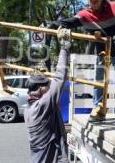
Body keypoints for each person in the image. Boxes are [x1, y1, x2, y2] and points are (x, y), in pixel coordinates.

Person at [54, 0, 115, 121]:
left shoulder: (114, 6)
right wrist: (53, 25)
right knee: (99, 81)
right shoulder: (85, 15)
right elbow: (68, 22)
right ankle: (98, 109)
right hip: (102, 52)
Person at [24, 28, 71, 163]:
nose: (49, 87)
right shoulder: (43, 105)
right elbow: (59, 78)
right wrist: (64, 47)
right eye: (46, 86)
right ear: (39, 89)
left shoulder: (28, 109)